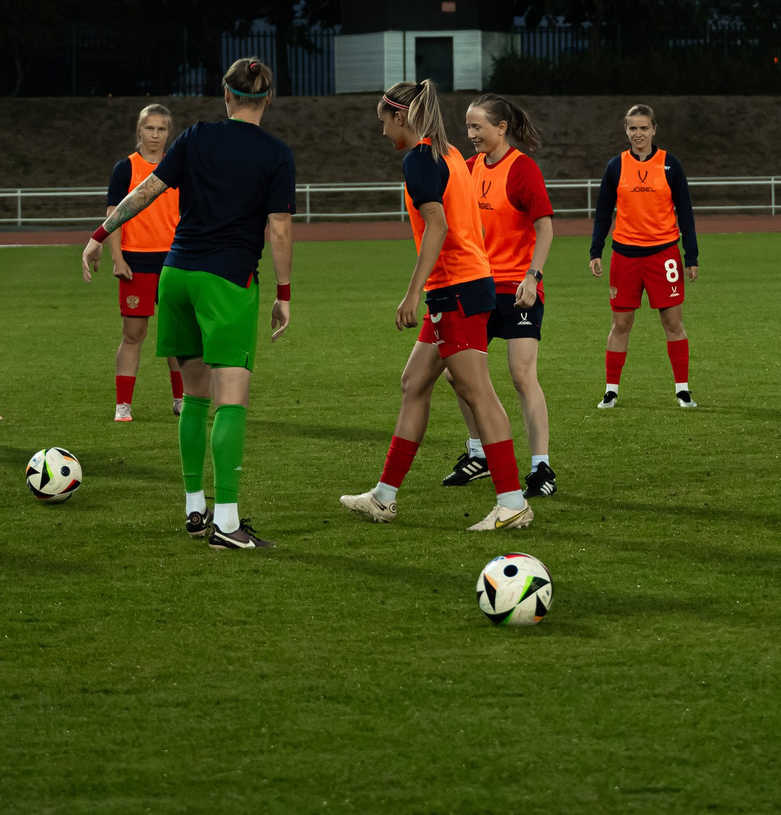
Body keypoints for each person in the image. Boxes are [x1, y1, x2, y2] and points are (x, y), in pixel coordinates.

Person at [90, 58, 297, 549]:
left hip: (176, 274)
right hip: (226, 281)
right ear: (268, 99)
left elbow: (146, 190)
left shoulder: (195, 136)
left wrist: (100, 234)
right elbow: (280, 229)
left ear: (226, 95)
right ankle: (227, 524)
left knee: (195, 396)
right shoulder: (276, 153)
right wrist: (284, 293)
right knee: (231, 399)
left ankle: (194, 508)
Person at [340, 80, 534, 533]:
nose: (383, 131)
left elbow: (437, 226)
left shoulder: (420, 159)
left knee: (476, 391)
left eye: (384, 122)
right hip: (462, 286)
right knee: (413, 384)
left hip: (457, 289)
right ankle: (384, 497)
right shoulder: (447, 154)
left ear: (400, 117)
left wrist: (413, 292)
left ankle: (512, 502)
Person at [436, 95, 559, 498]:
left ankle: (541, 468)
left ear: (501, 128)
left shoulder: (523, 169)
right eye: (467, 127)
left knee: (522, 375)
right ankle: (480, 455)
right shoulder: (469, 168)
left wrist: (532, 277)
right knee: (456, 373)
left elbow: (545, 228)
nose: (470, 134)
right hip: (478, 287)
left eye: (478, 127)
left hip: (518, 289)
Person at [589, 103, 701, 409]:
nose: (638, 133)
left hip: (663, 254)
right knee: (620, 324)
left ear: (654, 130)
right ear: (625, 131)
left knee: (673, 322)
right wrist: (596, 249)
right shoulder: (616, 166)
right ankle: (611, 390)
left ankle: (682, 390)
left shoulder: (670, 165)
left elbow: (686, 213)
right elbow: (603, 212)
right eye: (632, 128)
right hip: (625, 256)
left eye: (643, 128)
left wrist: (691, 255)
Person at [81, 103, 184, 420]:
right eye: (149, 128)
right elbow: (114, 215)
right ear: (139, 130)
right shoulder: (125, 168)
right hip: (136, 262)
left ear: (169, 133)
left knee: (178, 335)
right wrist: (118, 258)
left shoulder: (178, 167)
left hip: (174, 260)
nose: (155, 134)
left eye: (161, 129)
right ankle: (123, 404)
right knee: (133, 335)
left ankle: (181, 400)